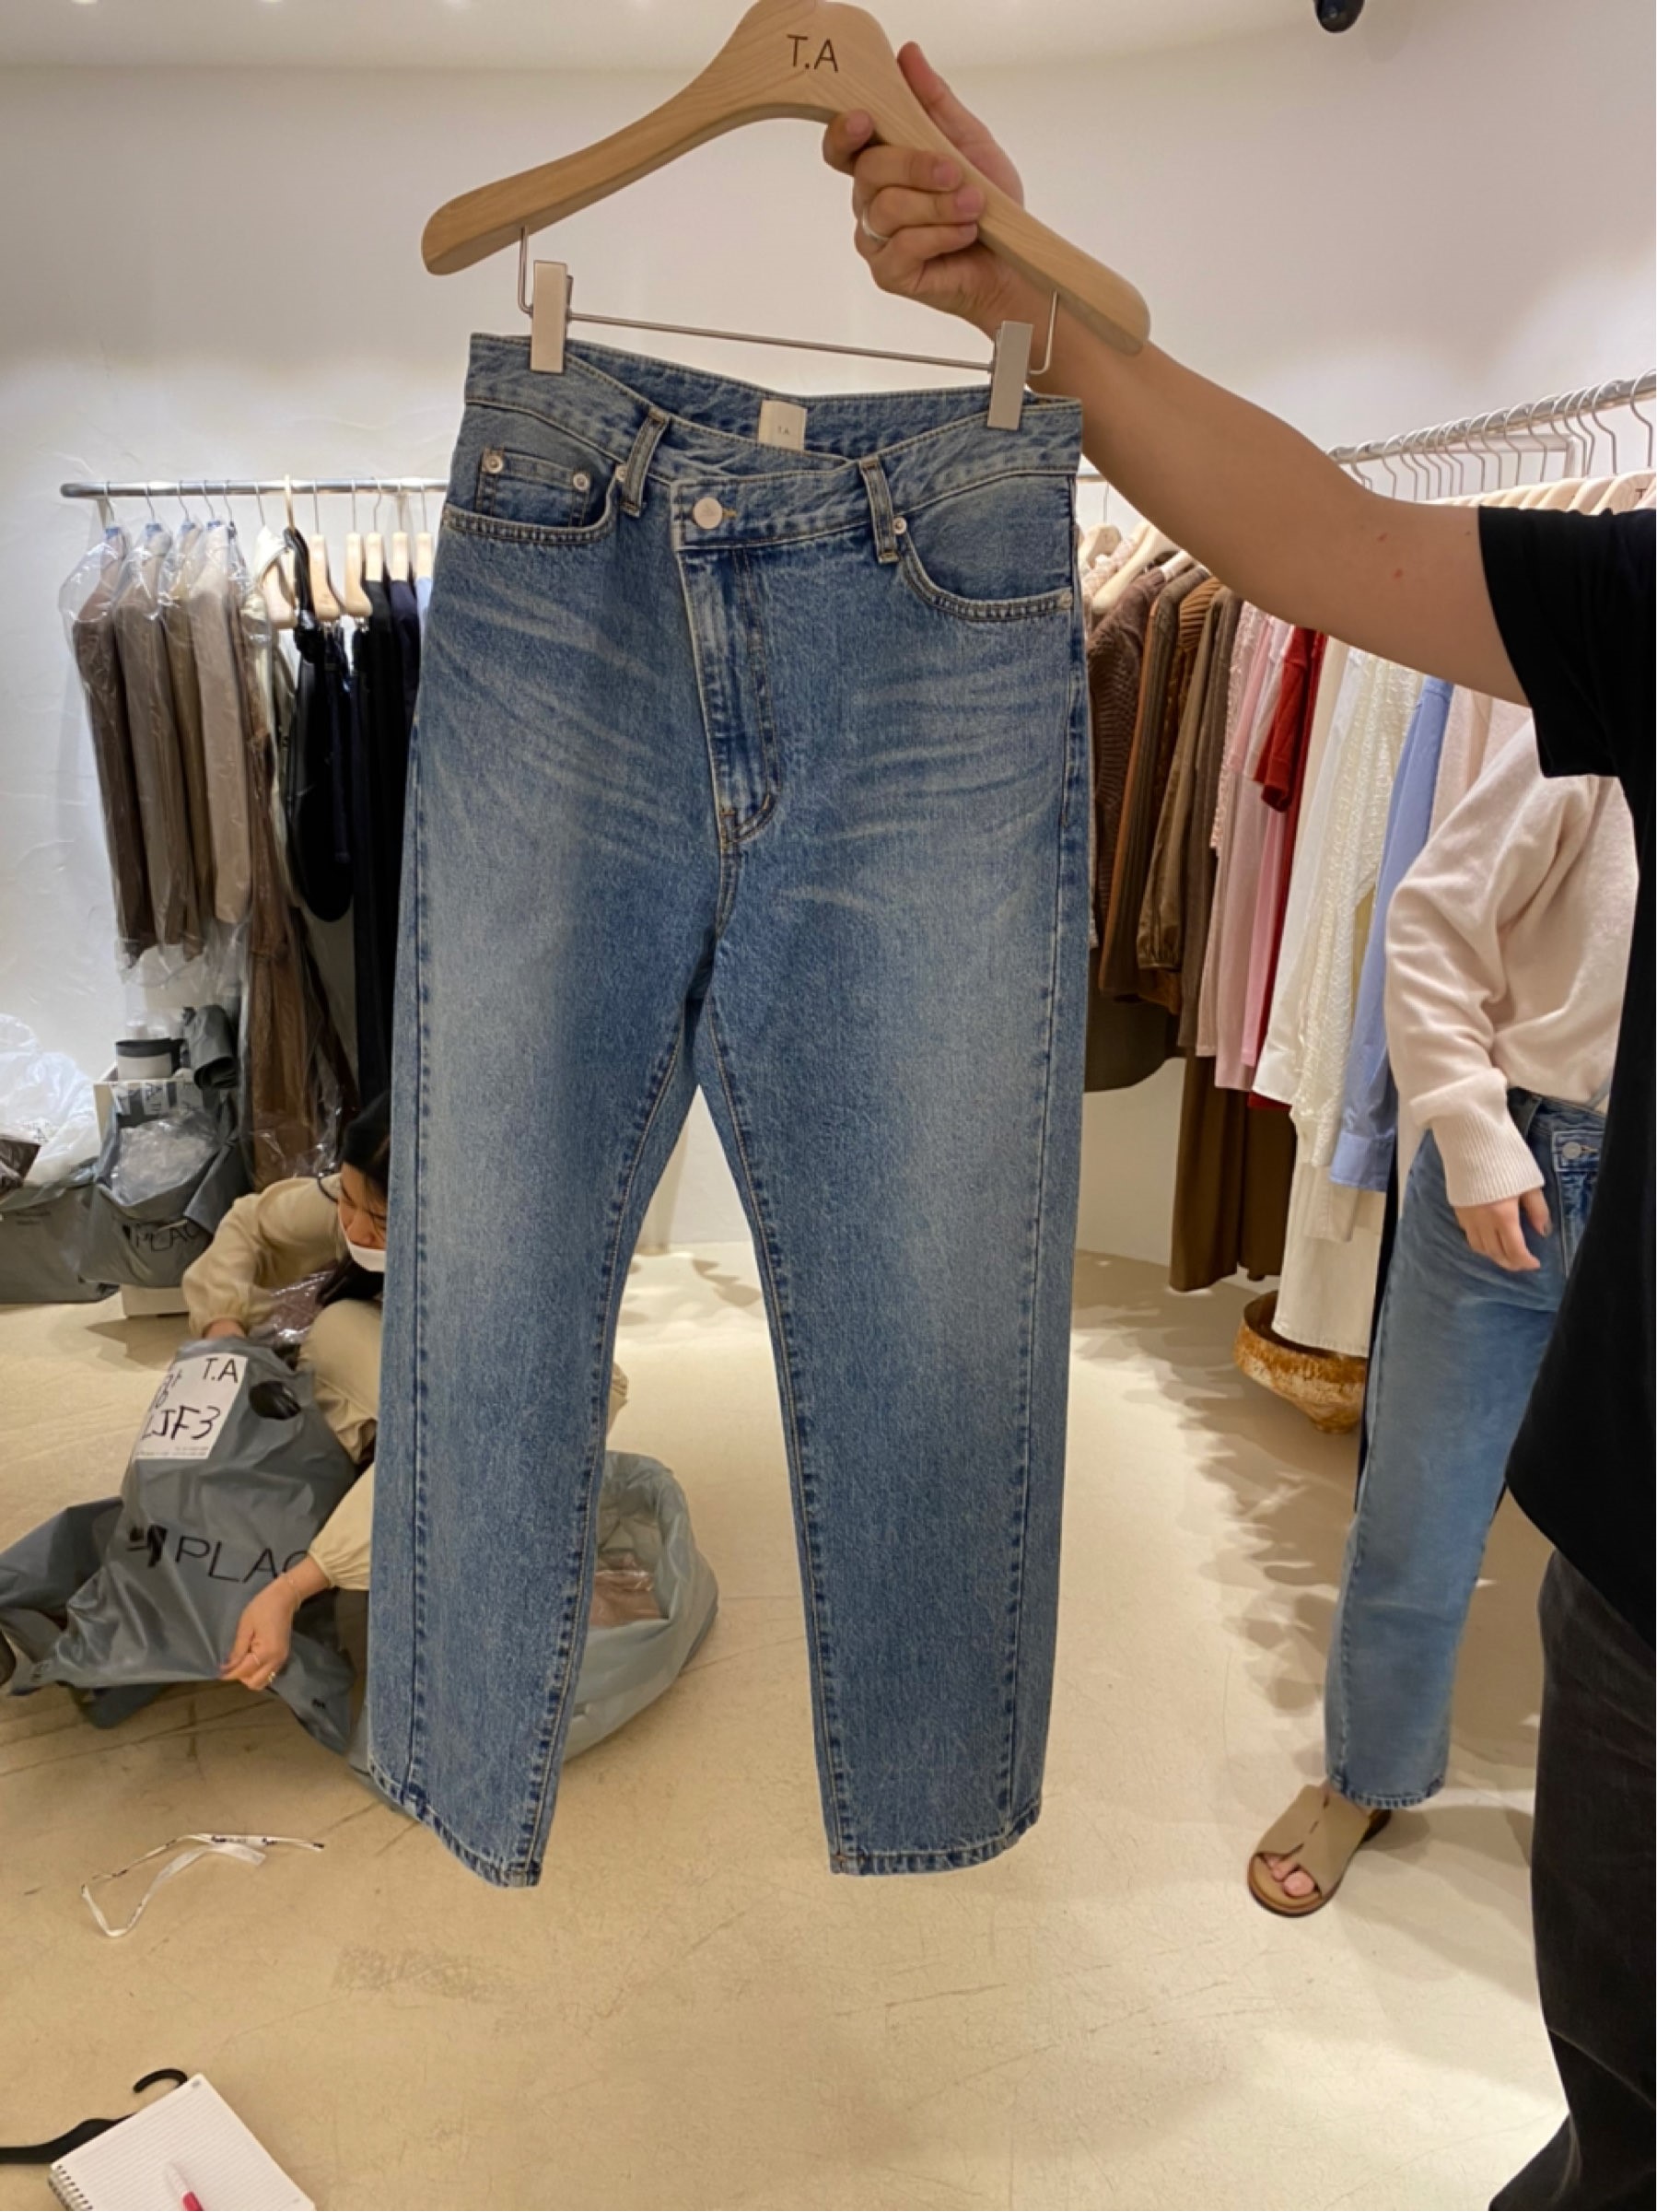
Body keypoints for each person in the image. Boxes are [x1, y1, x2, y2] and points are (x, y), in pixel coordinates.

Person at [821, 50, 1652, 2208]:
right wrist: (1035, 310)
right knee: (1622, 2095)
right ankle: (1367, 1770)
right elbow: (1325, 547)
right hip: (1606, 1409)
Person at [1248, 723, 1635, 1913]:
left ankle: (1616, 1830)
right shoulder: (1618, 694)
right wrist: (1469, 1129)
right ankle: (1363, 1776)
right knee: (1417, 1511)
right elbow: (1428, 918)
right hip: (1519, 1159)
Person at [179, 1095, 629, 1696]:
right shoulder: (357, 1196)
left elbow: (458, 1443)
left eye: (380, 1220)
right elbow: (251, 1222)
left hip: (501, 1407)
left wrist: (292, 1587)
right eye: (346, 1200)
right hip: (392, 1379)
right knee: (340, 1333)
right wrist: (223, 1326)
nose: (354, 1227)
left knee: (495, 1456)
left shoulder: (511, 1280)